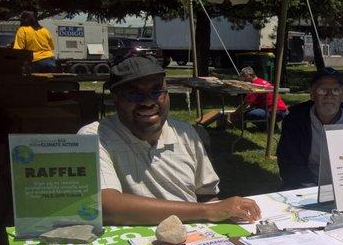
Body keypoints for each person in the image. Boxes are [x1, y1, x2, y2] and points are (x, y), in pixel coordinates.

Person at [78, 56, 261, 225]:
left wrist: (222, 210)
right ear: (115, 99)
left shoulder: (185, 133)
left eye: (156, 91)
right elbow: (106, 206)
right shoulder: (95, 136)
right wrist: (207, 210)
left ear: (167, 94)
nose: (148, 102)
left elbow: (206, 195)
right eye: (134, 94)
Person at [277, 67, 343, 188]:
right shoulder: (295, 121)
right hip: (304, 185)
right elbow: (289, 164)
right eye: (322, 90)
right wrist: (312, 189)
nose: (329, 95)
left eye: (336, 90)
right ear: (312, 94)